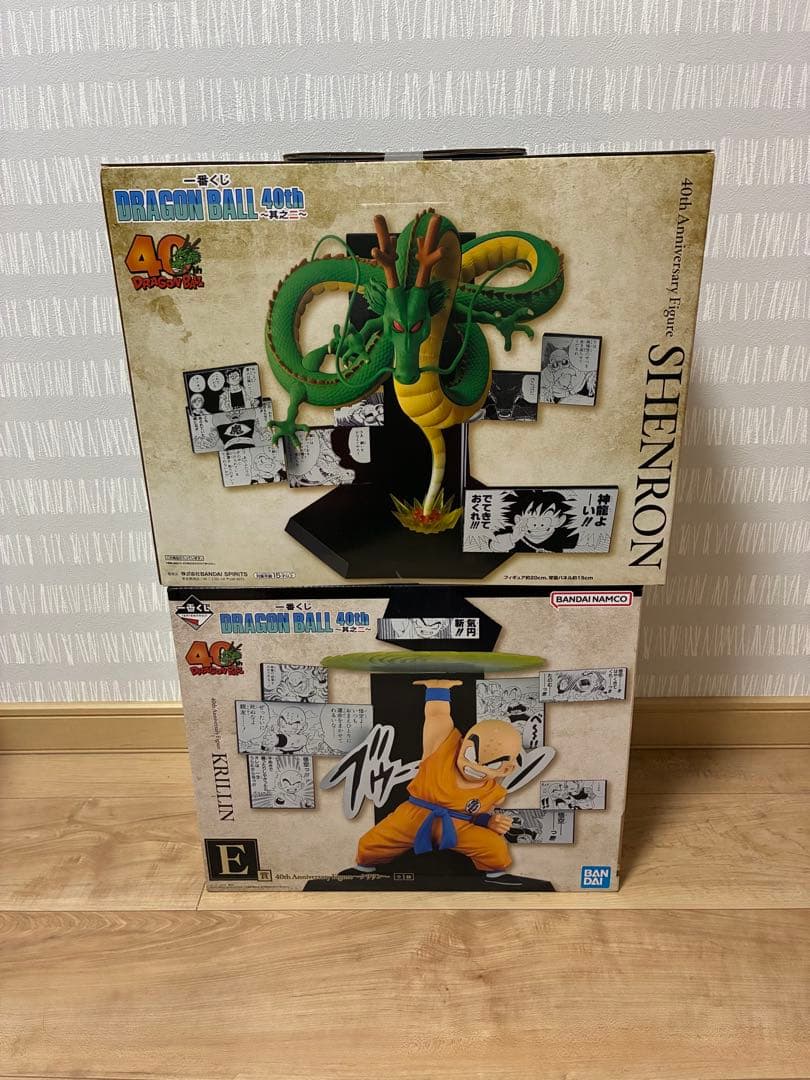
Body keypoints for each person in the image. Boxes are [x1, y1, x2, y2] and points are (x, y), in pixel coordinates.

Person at [349, 679, 527, 886]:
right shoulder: (441, 752)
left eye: (491, 765)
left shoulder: (493, 792)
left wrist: (489, 822)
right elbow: (437, 717)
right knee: (370, 844)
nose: (475, 767)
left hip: (458, 826)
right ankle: (364, 869)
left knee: (494, 847)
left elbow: (477, 816)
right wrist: (438, 690)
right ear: (462, 744)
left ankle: (496, 875)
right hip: (412, 817)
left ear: (506, 769)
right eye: (470, 755)